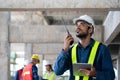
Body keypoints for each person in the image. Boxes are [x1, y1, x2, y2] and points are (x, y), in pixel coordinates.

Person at [54, 15, 115, 80]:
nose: (78, 27)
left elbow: (111, 76)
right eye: (77, 25)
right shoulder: (71, 50)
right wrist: (65, 49)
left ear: (90, 30)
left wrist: (96, 74)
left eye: (82, 24)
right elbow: (57, 71)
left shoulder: (102, 49)